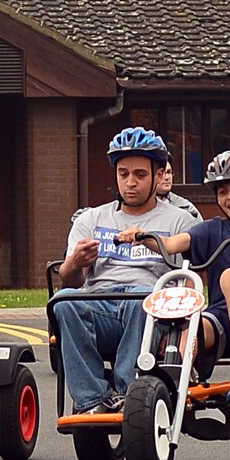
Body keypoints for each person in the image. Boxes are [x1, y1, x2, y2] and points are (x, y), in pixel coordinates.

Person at [116, 149, 230, 402]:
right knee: (191, 324)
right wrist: (143, 236)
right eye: (223, 192)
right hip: (222, 317)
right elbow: (171, 244)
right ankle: (174, 384)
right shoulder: (212, 229)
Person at [52, 127, 199, 415]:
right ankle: (92, 400)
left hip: (151, 310)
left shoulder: (181, 220)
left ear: (158, 175)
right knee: (65, 300)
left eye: (140, 175)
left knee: (142, 299)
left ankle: (127, 393)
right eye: (123, 174)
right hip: (100, 304)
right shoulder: (91, 219)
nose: (130, 183)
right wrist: (76, 262)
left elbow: (189, 277)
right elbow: (71, 279)